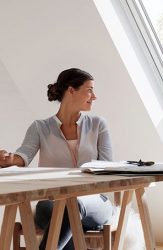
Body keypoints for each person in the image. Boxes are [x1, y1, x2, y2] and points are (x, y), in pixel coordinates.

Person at [0, 68, 114, 249]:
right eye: (90, 89)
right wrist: (9, 161)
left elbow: (107, 167)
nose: (94, 96)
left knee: (71, 206)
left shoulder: (98, 125)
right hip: (51, 202)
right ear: (71, 90)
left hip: (94, 201)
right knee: (64, 213)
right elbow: (23, 156)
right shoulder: (40, 127)